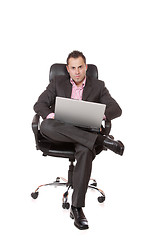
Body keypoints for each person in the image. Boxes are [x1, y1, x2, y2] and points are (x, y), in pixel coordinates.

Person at [34, 50, 124, 230]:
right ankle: (100, 140)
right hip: (59, 133)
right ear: (67, 69)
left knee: (84, 149)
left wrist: (102, 116)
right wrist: (52, 115)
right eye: (73, 68)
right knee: (45, 126)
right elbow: (39, 105)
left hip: (84, 135)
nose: (77, 71)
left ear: (86, 68)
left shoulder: (98, 86)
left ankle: (76, 207)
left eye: (80, 67)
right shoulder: (56, 83)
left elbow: (116, 108)